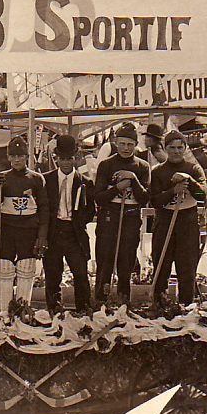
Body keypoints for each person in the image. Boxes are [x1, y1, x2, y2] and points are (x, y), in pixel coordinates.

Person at [0, 136, 48, 313]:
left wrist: (42, 236)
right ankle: (5, 312)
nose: (17, 160)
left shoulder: (36, 179)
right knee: (5, 269)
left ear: (27, 156)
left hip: (28, 230)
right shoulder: (2, 177)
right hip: (7, 229)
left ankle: (23, 310)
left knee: (26, 269)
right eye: (13, 156)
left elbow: (44, 209)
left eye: (20, 156)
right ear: (8, 157)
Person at [93, 122, 150, 305]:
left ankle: (124, 299)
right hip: (110, 215)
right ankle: (101, 298)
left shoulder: (142, 166)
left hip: (131, 215)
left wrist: (133, 180)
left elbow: (145, 198)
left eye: (130, 144)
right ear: (115, 143)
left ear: (135, 145)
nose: (126, 148)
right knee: (105, 257)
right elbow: (99, 198)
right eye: (122, 143)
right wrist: (117, 188)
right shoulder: (106, 165)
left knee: (126, 259)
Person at [148, 130, 206, 306]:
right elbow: (154, 200)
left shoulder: (193, 169)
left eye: (180, 147)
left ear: (185, 148)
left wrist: (189, 180)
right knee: (161, 265)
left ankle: (186, 306)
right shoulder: (157, 171)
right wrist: (173, 191)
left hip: (187, 222)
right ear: (165, 149)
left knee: (187, 267)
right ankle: (160, 304)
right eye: (172, 147)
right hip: (164, 221)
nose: (176, 151)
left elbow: (202, 195)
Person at [42, 135, 94, 314]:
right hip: (54, 232)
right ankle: (54, 311)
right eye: (61, 159)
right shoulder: (46, 180)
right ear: (56, 158)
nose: (65, 163)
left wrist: (77, 221)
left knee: (80, 273)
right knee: (52, 274)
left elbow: (90, 211)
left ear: (76, 157)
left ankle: (83, 310)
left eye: (69, 159)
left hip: (74, 234)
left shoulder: (85, 182)